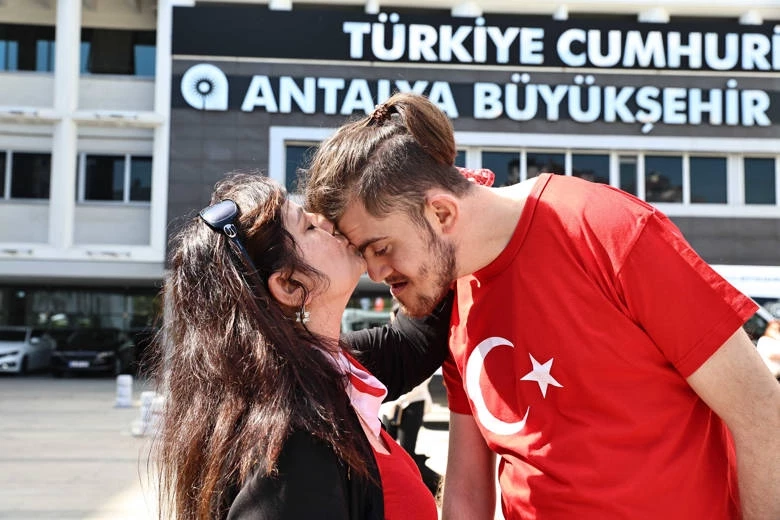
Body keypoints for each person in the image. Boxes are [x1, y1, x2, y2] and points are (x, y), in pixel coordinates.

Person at [302, 93, 780, 519]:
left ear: (441, 212)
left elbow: (761, 415)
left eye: (381, 248)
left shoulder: (608, 230)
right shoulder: (450, 293)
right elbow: (468, 489)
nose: (375, 272)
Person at [151, 172, 452, 520]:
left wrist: (439, 212)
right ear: (290, 286)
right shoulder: (291, 442)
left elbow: (413, 342)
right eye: (308, 226)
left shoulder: (323, 372)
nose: (327, 222)